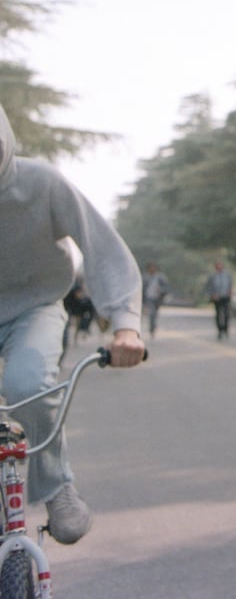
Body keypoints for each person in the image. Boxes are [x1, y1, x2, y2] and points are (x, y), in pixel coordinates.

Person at [0, 102, 147, 545]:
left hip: (35, 307)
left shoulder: (41, 182)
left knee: (26, 384)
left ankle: (56, 487)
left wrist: (125, 325)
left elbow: (100, 246)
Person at [204, 260, 233, 340]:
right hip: (217, 297)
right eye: (217, 266)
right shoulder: (212, 277)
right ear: (215, 267)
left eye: (220, 266)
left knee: (227, 313)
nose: (219, 267)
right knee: (218, 314)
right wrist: (212, 295)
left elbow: (230, 285)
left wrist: (230, 292)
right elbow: (208, 287)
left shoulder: (227, 275)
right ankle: (219, 330)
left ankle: (225, 328)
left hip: (225, 297)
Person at [141, 261, 169, 336]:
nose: (152, 269)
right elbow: (142, 288)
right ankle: (152, 328)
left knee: (155, 313)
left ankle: (153, 325)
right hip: (148, 298)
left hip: (158, 298)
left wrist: (161, 290)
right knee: (152, 313)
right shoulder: (145, 277)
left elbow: (166, 288)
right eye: (150, 268)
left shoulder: (160, 277)